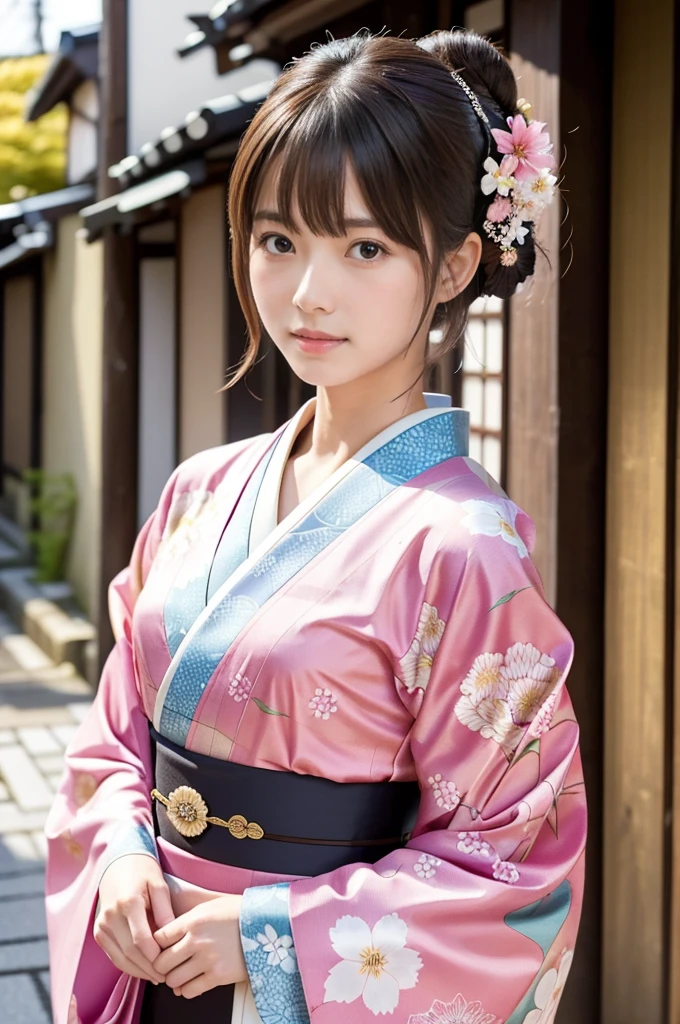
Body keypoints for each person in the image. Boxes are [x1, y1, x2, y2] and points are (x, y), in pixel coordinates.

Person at [45, 27, 586, 1024]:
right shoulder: (199, 490)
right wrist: (121, 850)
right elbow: (116, 728)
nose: (305, 292)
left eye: (364, 246)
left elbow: (513, 862)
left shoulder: (464, 548)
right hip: (153, 959)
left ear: (457, 262)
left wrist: (271, 935)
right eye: (277, 238)